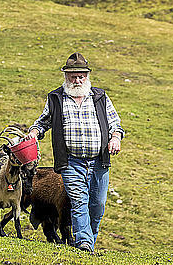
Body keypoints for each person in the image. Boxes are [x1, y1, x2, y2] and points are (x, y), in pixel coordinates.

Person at [27, 52, 124, 252]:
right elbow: (43, 122)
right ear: (66, 76)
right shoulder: (56, 98)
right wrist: (34, 133)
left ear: (87, 76)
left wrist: (115, 138)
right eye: (73, 76)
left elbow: (116, 124)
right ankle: (84, 243)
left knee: (97, 206)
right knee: (79, 202)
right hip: (71, 161)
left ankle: (90, 239)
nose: (78, 80)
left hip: (99, 161)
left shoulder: (100, 97)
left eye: (81, 76)